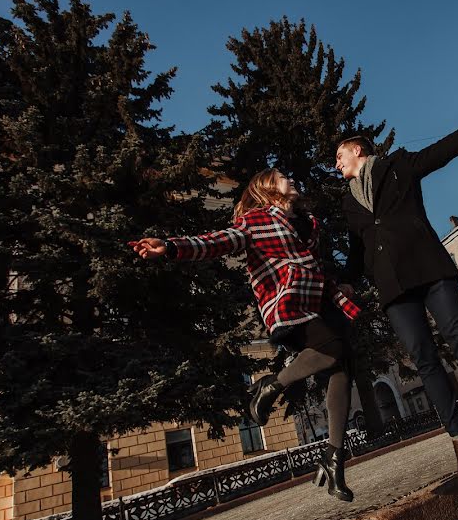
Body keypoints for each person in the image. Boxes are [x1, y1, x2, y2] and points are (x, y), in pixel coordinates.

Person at [334, 87, 458, 489]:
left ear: (358, 150)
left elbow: (449, 147)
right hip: (393, 289)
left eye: (339, 156)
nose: (335, 163)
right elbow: (357, 251)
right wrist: (347, 281)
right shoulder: (347, 203)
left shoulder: (399, 166)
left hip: (429, 269)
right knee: (424, 360)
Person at [130, 168, 358, 501]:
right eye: (284, 177)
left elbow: (313, 263)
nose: (292, 179)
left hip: (318, 301)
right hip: (288, 304)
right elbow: (218, 242)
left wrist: (340, 284)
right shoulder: (255, 221)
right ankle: (272, 384)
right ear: (268, 188)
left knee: (342, 365)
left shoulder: (309, 223)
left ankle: (333, 458)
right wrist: (170, 246)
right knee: (334, 349)